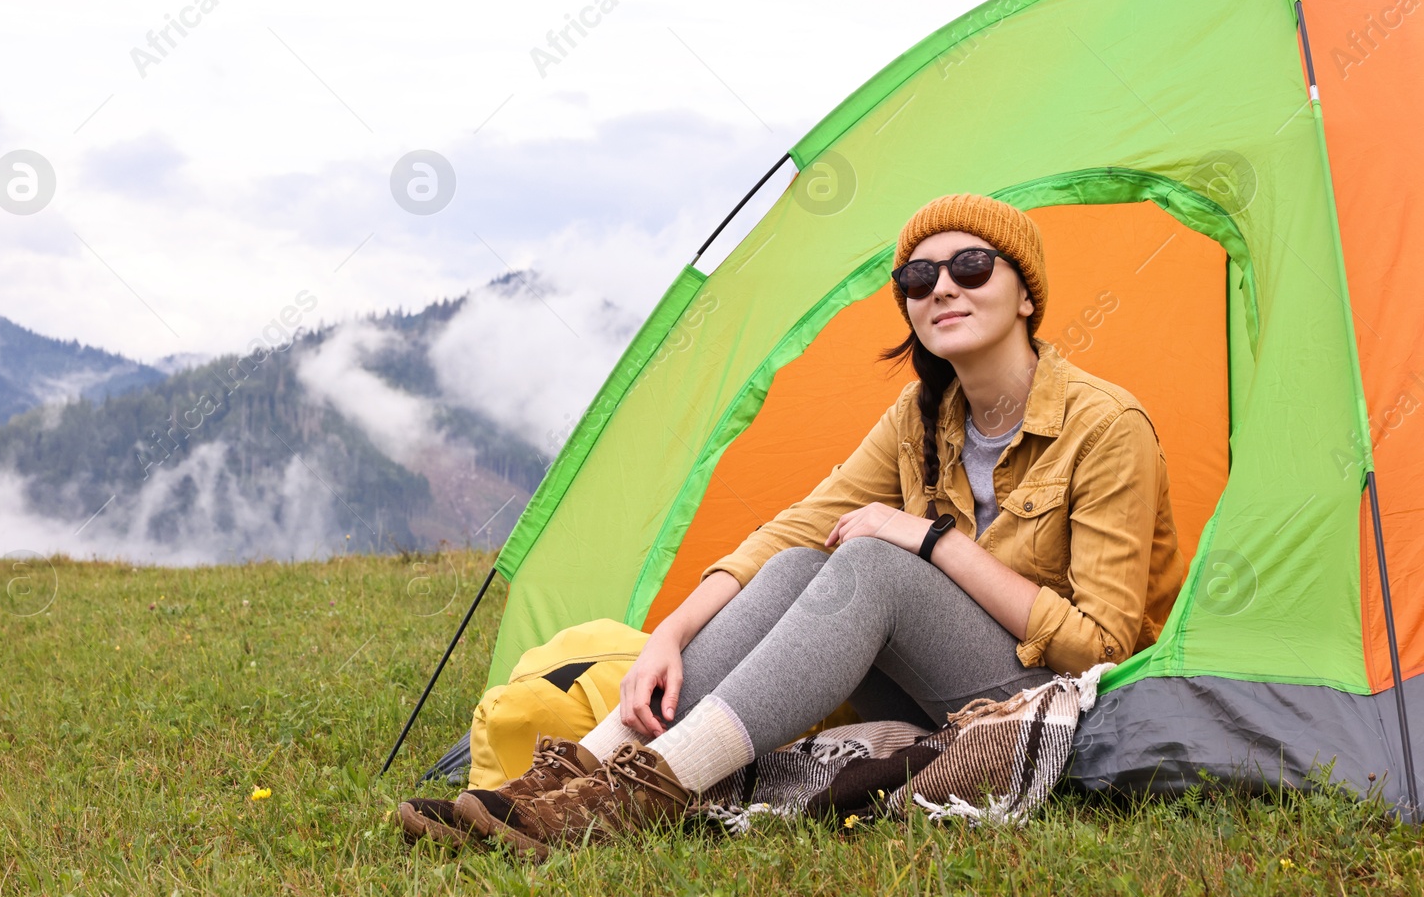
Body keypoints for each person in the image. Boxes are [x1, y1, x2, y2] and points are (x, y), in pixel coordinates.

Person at [403, 192, 1186, 857]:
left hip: (1049, 698)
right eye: (918, 277)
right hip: (936, 690)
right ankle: (584, 768)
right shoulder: (920, 418)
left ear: (1025, 294)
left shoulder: (1105, 425)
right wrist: (669, 636)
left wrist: (929, 541)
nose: (942, 287)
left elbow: (1104, 646)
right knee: (799, 565)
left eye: (971, 266)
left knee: (877, 560)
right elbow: (792, 529)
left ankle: (649, 790)